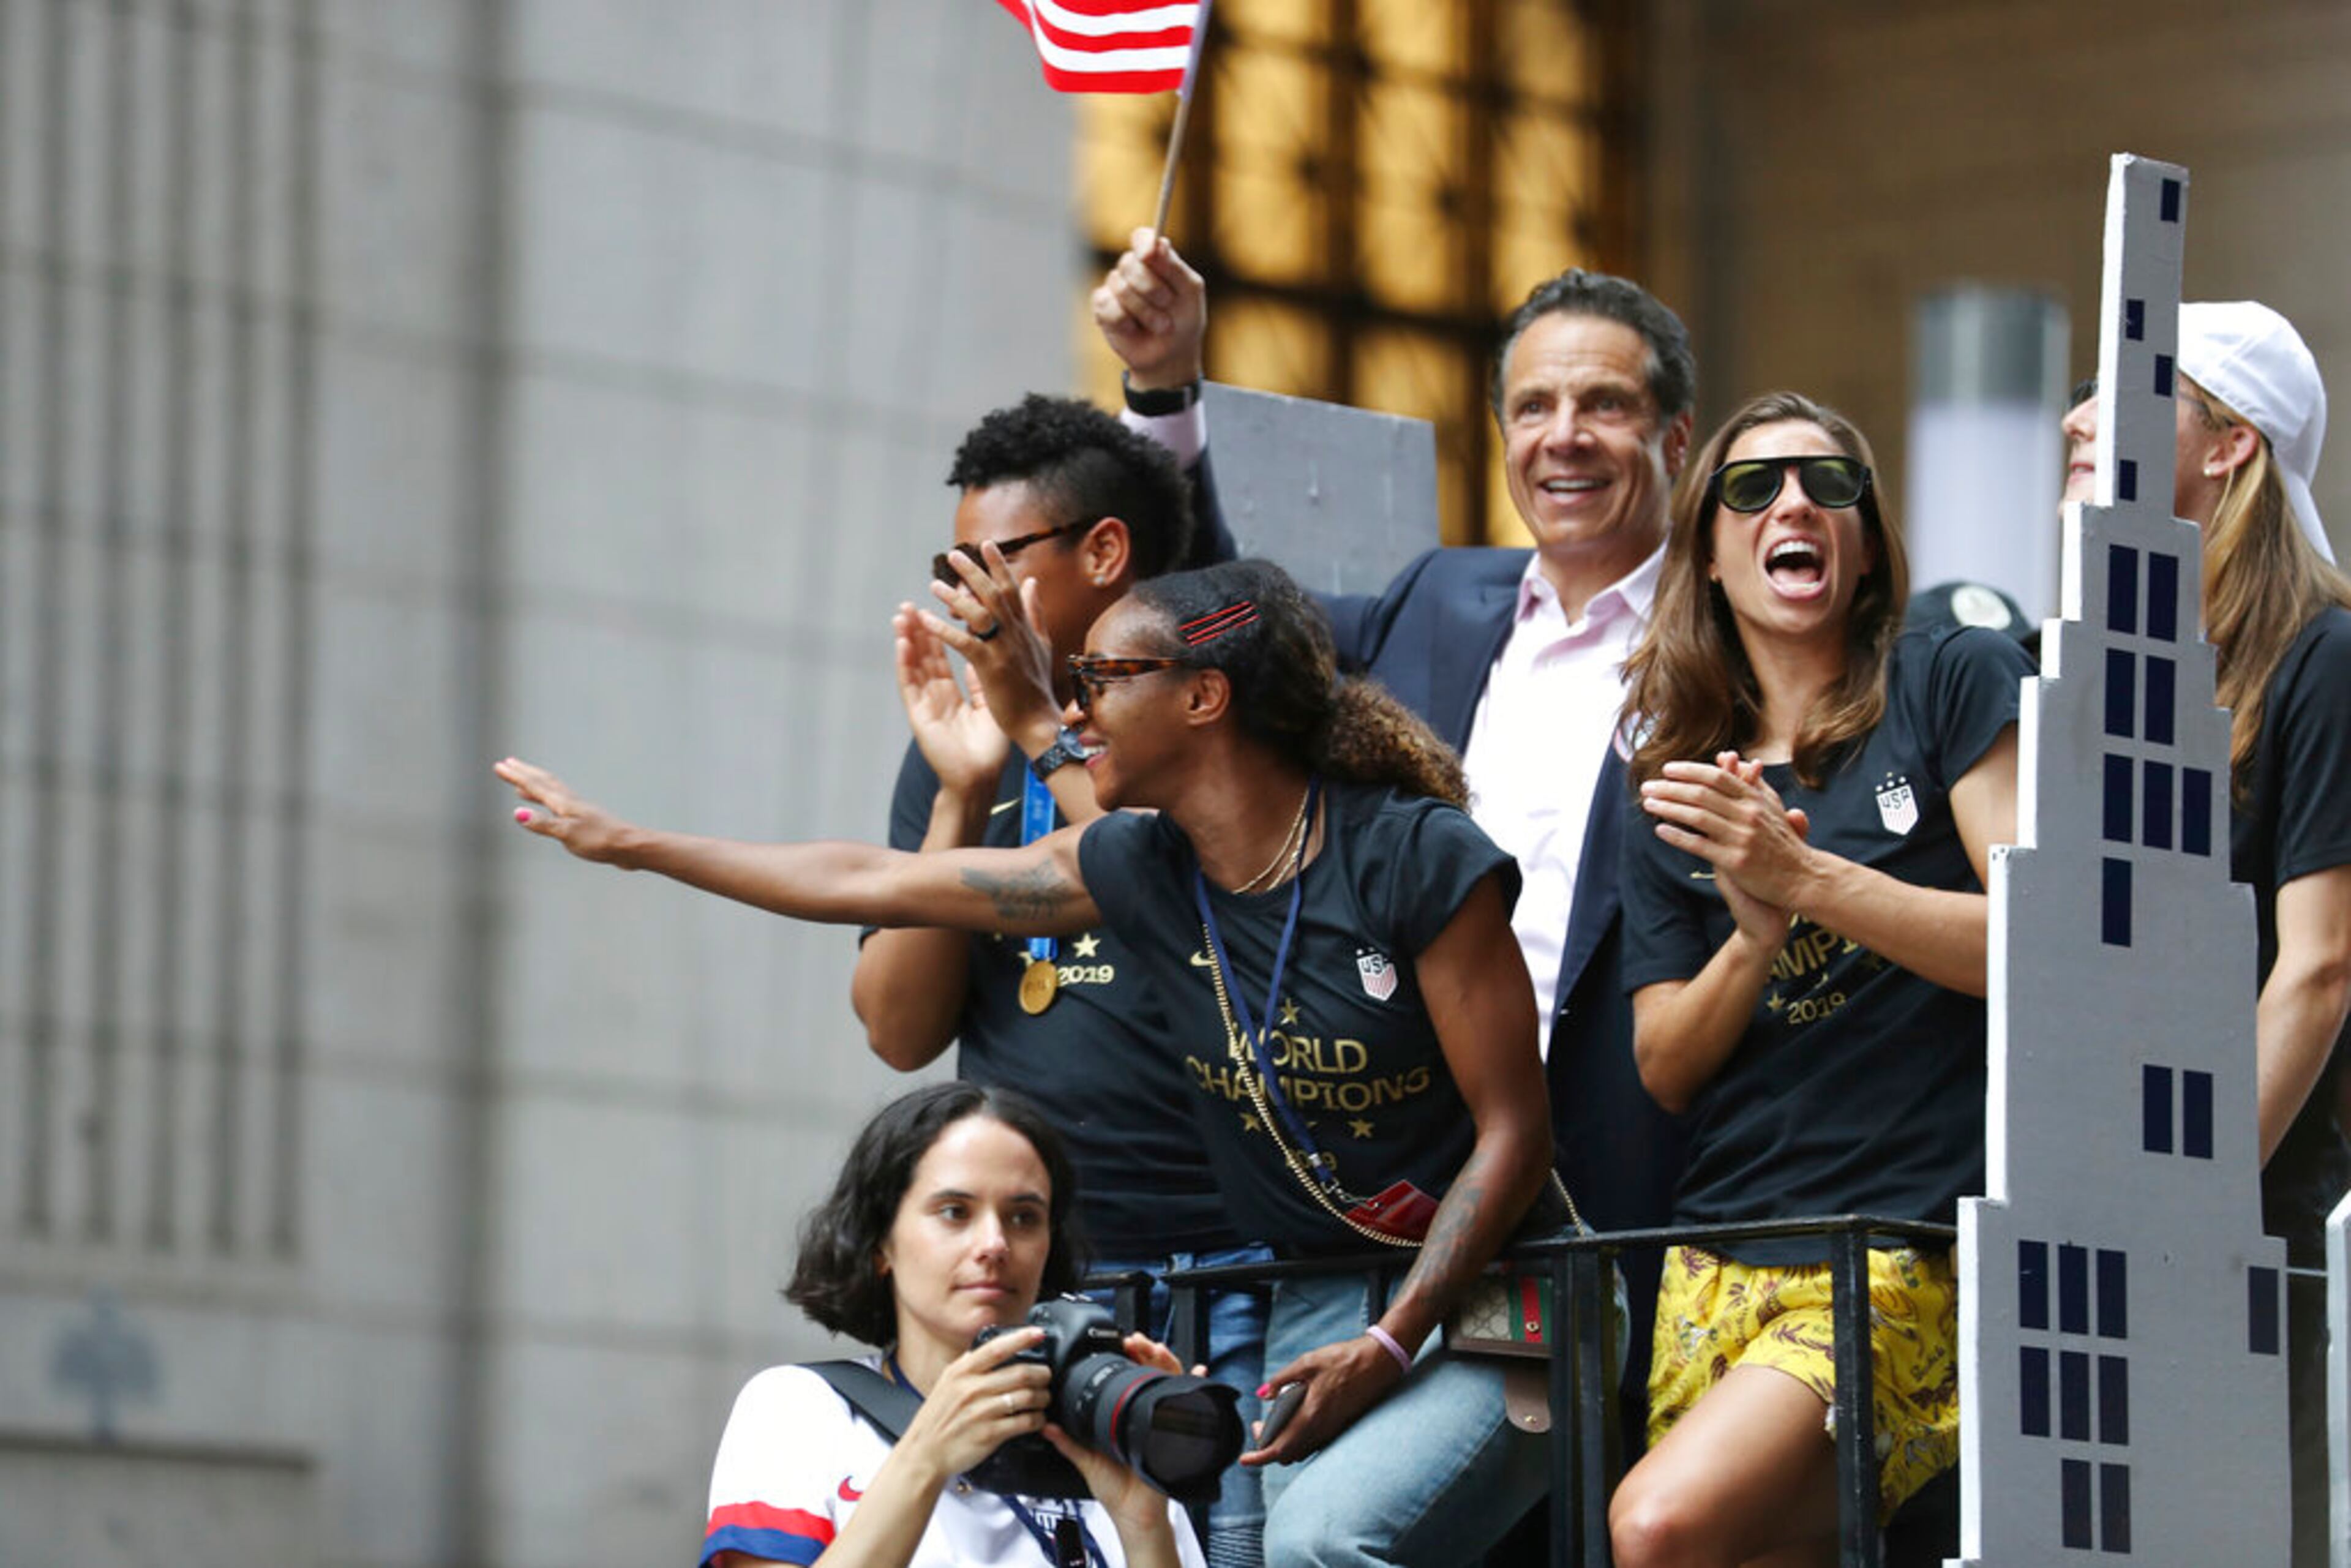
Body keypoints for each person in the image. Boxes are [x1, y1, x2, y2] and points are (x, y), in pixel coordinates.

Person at [498, 557, 1557, 1568]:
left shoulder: (1411, 854)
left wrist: (1389, 1342)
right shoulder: (1144, 868)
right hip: (1322, 1288)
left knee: (1314, 1544)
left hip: (1499, 1288)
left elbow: (1518, 1131)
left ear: (1204, 699)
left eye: (1104, 678)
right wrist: (637, 845)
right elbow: (875, 879)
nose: (1079, 707)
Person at [1095, 235, 1700, 1446]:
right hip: (1419, 1162)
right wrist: (1166, 390)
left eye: (1606, 405)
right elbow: (1220, 628)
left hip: (1640, 1164)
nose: (1564, 435)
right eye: (1533, 406)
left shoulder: (1729, 630)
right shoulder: (1442, 595)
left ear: (1677, 438)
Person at [1604, 392, 2031, 1567]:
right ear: (1707, 550)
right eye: (1754, 488)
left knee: (1658, 1527)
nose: (1794, 504)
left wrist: (1805, 877)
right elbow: (1666, 1067)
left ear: (1866, 535)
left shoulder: (1950, 679)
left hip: (1900, 1251)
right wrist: (1751, 938)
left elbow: (2037, 949)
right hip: (1717, 1256)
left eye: (1827, 484)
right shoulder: (1677, 772)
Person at [852, 392, 1267, 1567]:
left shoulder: (1202, 719)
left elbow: (1177, 899)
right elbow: (896, 1028)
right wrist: (954, 795)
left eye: (993, 560)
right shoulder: (964, 746)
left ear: (1104, 552)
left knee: (1224, 1551)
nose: (959, 592)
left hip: (1225, 1271)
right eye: (950, 564)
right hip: (1040, 1280)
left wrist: (1043, 722)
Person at [2060, 301, 2351, 1568]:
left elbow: (2321, 967)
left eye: (2123, 394)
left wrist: (2194, 1205)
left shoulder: (2323, 656)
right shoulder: (2109, 664)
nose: (2075, 418)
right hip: (2104, 1209)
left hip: (2248, 1218)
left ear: (2229, 444)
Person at [699, 1081, 1204, 1568]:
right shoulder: (800, 1408)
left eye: (1024, 1217)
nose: (995, 1243)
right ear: (880, 1244)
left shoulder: (1106, 1428)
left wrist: (1146, 1529)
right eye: (954, 1211)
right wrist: (925, 1457)